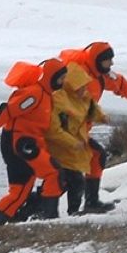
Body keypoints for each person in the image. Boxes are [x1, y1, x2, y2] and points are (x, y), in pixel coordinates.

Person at [59, 42, 127, 212]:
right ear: (97, 60)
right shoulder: (76, 73)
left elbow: (120, 85)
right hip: (65, 132)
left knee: (93, 158)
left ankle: (84, 205)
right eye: (108, 60)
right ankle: (63, 210)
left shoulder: (101, 74)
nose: (111, 64)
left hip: (78, 132)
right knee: (69, 172)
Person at [0, 58, 68, 234]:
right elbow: (6, 111)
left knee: (19, 193)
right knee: (53, 173)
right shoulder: (34, 94)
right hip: (20, 144)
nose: (64, 82)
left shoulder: (46, 95)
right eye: (61, 78)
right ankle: (48, 218)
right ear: (52, 77)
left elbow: (37, 121)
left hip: (26, 143)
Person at [45, 62, 107, 215]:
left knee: (75, 179)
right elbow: (53, 130)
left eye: (85, 86)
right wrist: (72, 143)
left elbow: (92, 110)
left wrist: (103, 117)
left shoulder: (83, 97)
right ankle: (48, 211)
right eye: (80, 86)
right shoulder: (58, 99)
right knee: (65, 182)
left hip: (76, 145)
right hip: (62, 147)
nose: (84, 89)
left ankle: (79, 208)